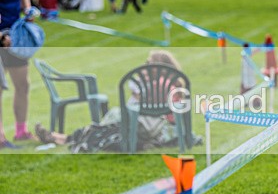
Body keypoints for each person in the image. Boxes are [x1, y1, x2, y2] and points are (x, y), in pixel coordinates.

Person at [35, 50, 190, 152]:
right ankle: (61, 137)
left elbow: (144, 105)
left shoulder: (158, 84)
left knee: (108, 126)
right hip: (150, 126)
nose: (145, 66)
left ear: (158, 66)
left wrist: (142, 89)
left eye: (149, 63)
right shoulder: (176, 82)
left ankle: (62, 138)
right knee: (109, 127)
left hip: (155, 128)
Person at [0, 0, 34, 148]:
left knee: (23, 85)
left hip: (16, 36)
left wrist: (28, 9)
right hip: (3, 36)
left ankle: (21, 131)